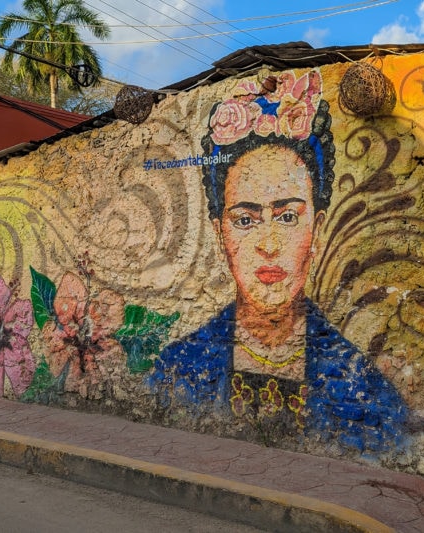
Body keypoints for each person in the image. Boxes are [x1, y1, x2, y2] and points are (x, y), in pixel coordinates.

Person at [148, 69, 408, 454]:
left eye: (288, 216)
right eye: (245, 220)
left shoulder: (369, 395)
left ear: (316, 228)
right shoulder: (175, 368)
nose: (268, 245)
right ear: (221, 234)